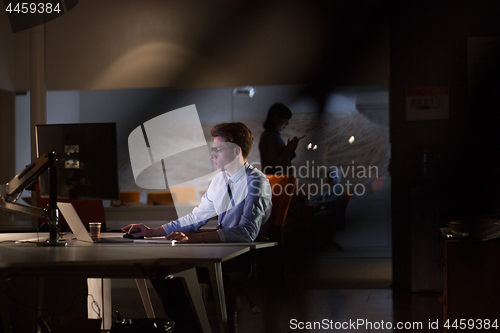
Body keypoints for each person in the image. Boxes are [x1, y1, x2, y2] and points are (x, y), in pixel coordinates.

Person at [122, 122, 272, 331]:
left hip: (239, 256)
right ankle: (185, 326)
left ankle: (188, 327)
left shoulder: (257, 182)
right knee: (159, 269)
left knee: (169, 271)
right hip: (221, 251)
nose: (212, 156)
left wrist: (194, 238)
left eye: (217, 150)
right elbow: (196, 218)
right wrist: (153, 231)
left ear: (237, 151)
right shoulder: (220, 181)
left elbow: (247, 233)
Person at [258, 103, 300, 175]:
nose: (287, 123)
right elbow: (271, 168)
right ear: (276, 118)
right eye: (285, 119)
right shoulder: (268, 137)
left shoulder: (274, 136)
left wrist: (289, 149)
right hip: (275, 183)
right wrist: (289, 149)